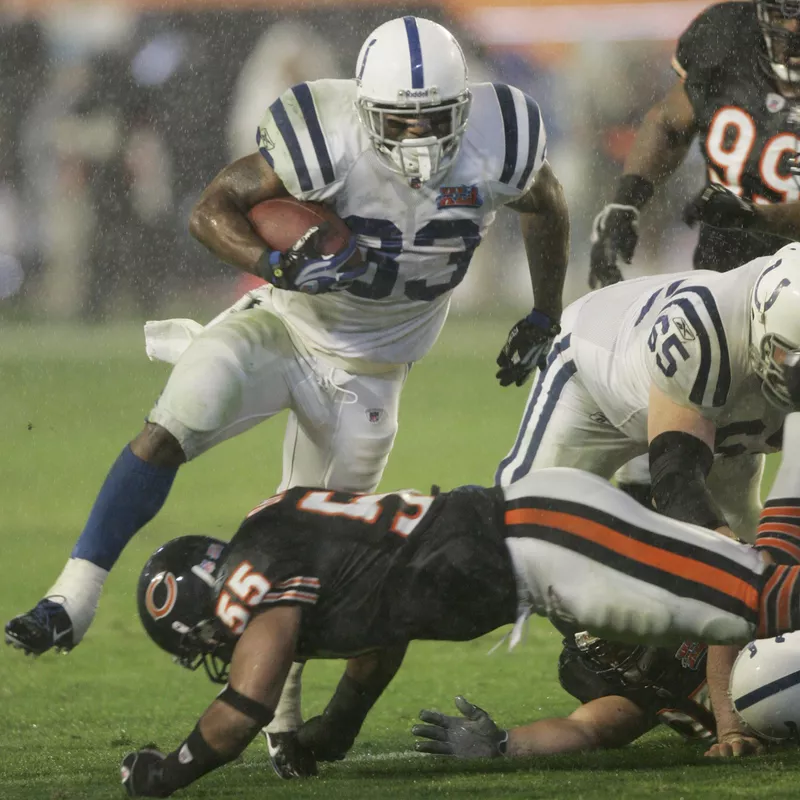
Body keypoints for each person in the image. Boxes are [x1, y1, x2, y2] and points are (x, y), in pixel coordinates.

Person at [5, 15, 569, 772]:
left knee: (322, 563)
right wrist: (279, 269)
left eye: (434, 116)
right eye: (399, 116)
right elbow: (210, 211)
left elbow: (548, 206)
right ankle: (73, 594)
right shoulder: (323, 129)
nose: (418, 134)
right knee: (184, 410)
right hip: (287, 325)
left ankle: (286, 720)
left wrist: (544, 312)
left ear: (462, 105)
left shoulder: (502, 136)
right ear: (366, 106)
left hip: (374, 370)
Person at [119, 408, 800, 796]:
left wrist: (168, 771)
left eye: (207, 638)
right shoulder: (294, 548)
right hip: (540, 539)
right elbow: (384, 628)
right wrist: (339, 727)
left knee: (753, 602)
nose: (219, 649)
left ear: (218, 603)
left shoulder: (264, 573)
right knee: (756, 592)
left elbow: (245, 708)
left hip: (547, 547)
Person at [496, 241, 800, 754]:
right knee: (514, 539)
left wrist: (730, 725)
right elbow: (676, 476)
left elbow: (768, 554)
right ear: (768, 332)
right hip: (599, 385)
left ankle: (731, 703)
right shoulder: (706, 326)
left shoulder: (775, 342)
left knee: (748, 580)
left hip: (721, 425)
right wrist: (732, 566)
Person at [589, 0, 800, 288]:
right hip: (722, 273)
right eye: (781, 16)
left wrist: (752, 217)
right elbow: (670, 124)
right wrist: (626, 203)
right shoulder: (726, 33)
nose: (793, 29)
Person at [412, 634, 752, 759]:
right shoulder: (637, 691)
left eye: (616, 644)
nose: (617, 661)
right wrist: (505, 743)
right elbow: (584, 729)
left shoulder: (693, 606)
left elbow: (729, 621)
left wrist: (731, 728)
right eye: (604, 656)